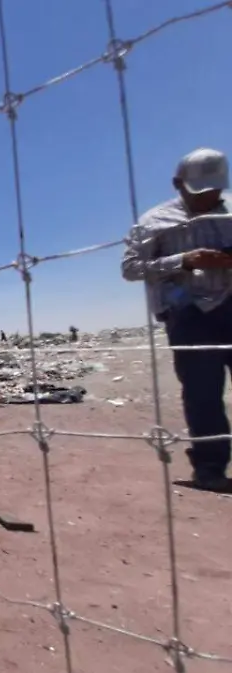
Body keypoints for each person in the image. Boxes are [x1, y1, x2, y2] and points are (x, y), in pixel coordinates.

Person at [121, 147, 232, 492]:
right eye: (200, 193)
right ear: (178, 184)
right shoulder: (154, 222)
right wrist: (184, 260)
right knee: (202, 393)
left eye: (215, 191)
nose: (209, 199)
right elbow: (130, 268)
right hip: (189, 314)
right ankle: (210, 467)